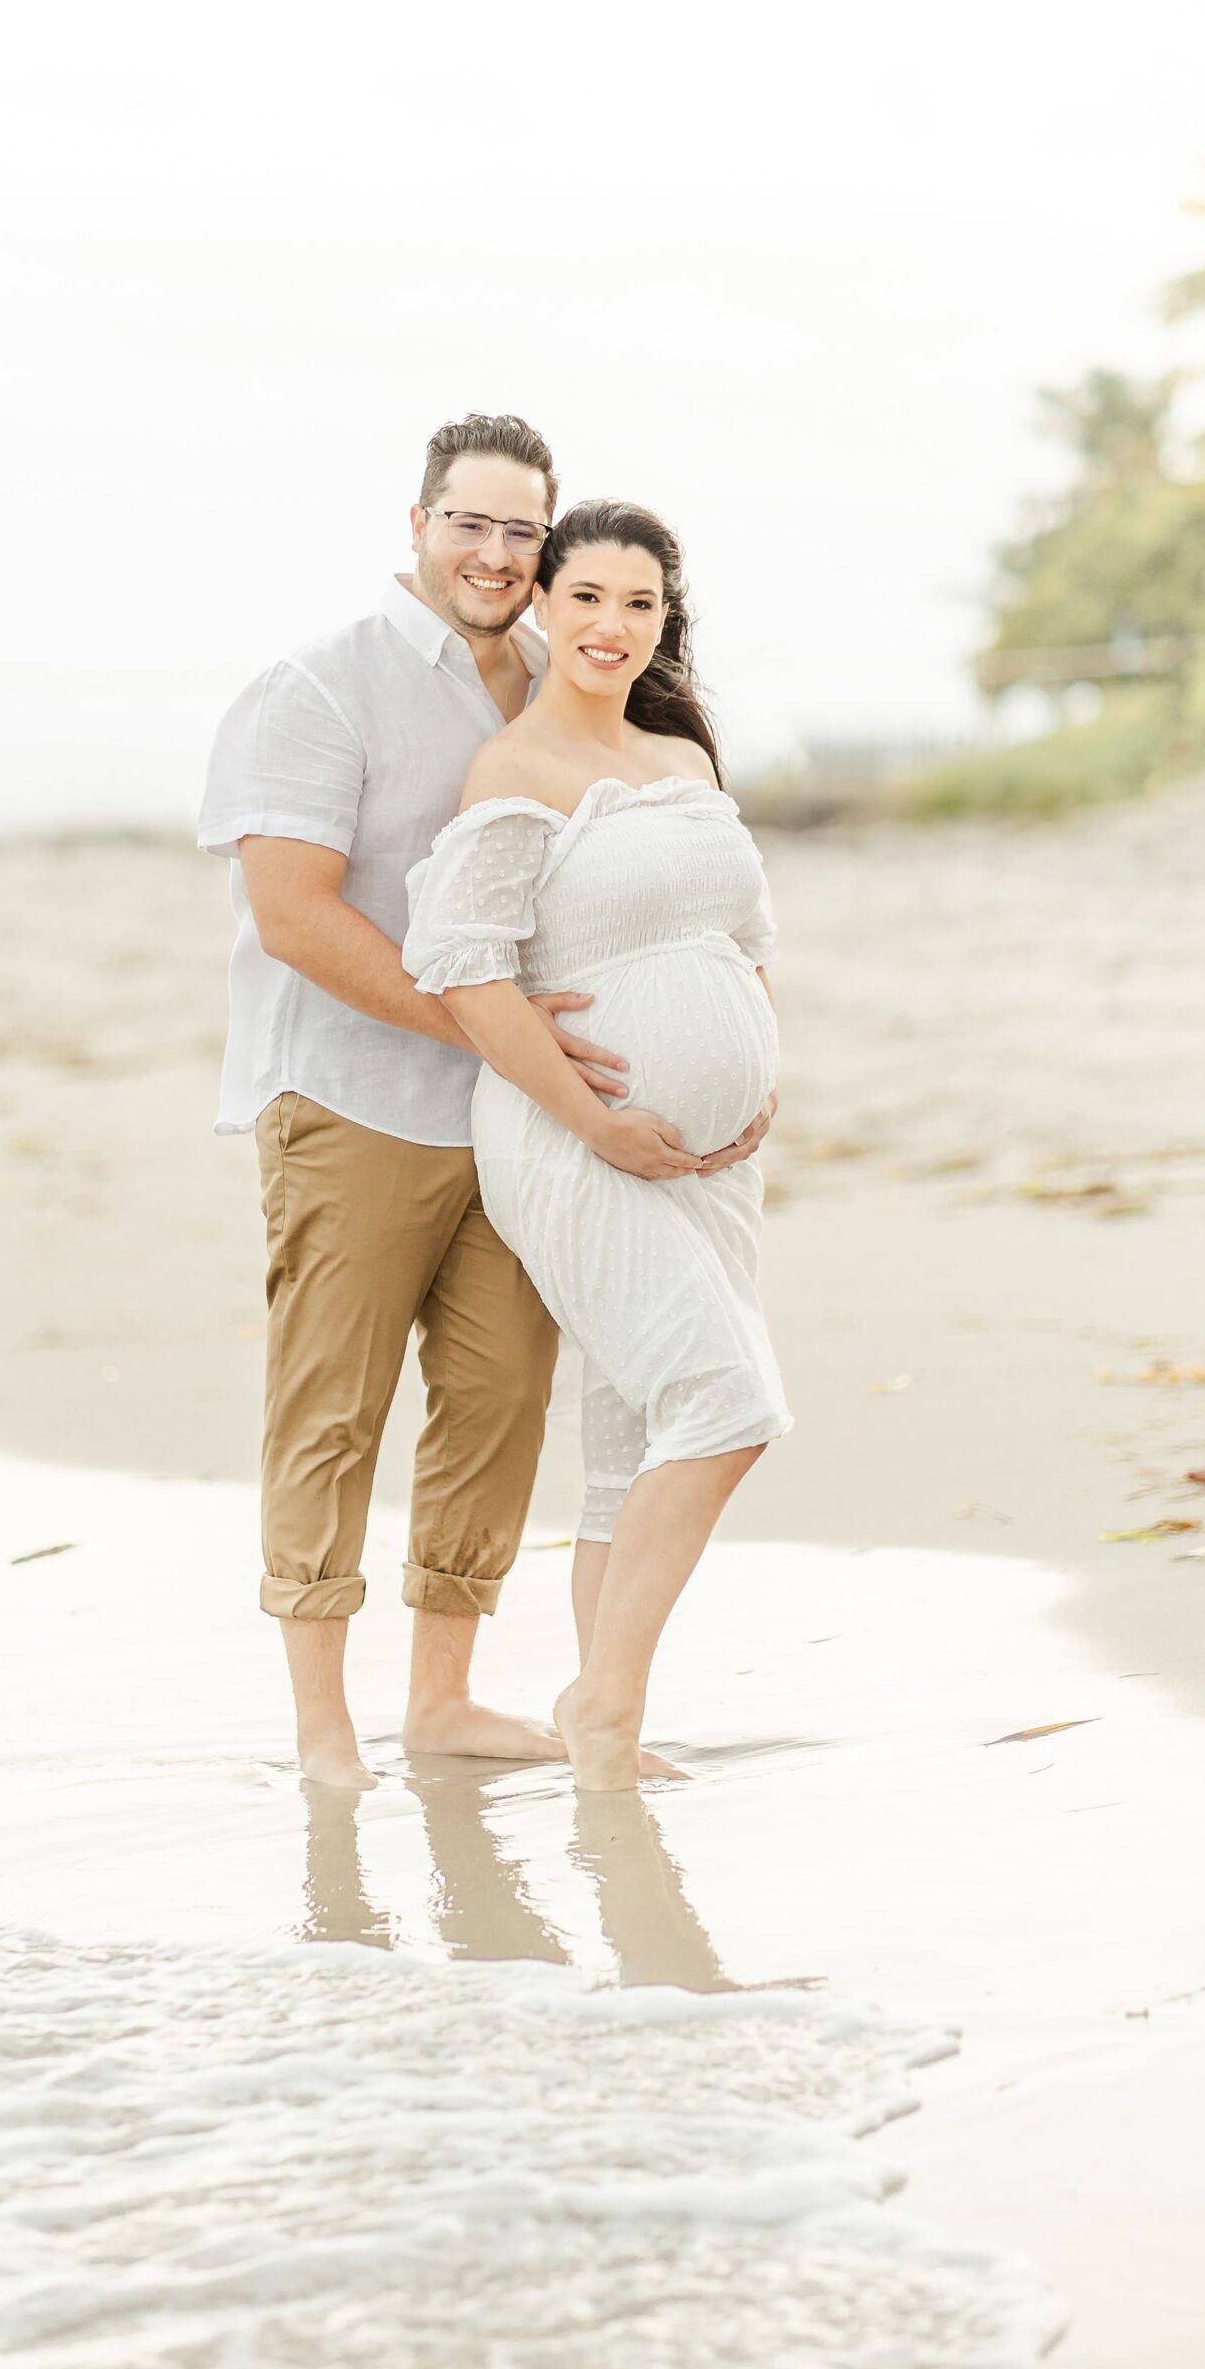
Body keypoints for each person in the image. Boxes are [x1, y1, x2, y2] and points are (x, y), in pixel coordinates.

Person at [197, 413, 635, 1788]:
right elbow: (291, 914)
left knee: (502, 1396)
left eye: (521, 530)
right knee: (333, 1409)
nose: (496, 553)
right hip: (354, 1099)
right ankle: (324, 1725)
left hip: (514, 1120)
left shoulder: (567, 682)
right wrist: (482, 1024)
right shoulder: (322, 688)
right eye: (472, 521)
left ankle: (440, 1698)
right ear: (419, 523)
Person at [402, 498, 788, 1790]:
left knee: (630, 1447)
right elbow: (465, 974)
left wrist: (754, 1070)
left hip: (711, 1162)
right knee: (728, 1403)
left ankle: (604, 1741)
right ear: (543, 604)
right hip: (571, 1148)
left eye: (639, 603)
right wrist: (600, 1123)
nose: (610, 626)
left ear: (664, 621)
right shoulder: (512, 774)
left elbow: (742, 942)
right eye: (586, 598)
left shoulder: (683, 763)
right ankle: (604, 1702)